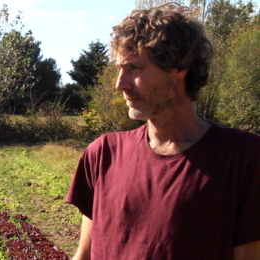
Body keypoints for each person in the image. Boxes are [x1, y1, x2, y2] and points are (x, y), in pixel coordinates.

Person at [65, 2, 260, 260]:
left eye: (135, 68)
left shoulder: (244, 158)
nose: (119, 84)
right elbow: (86, 254)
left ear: (179, 67)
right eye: (119, 68)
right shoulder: (102, 154)